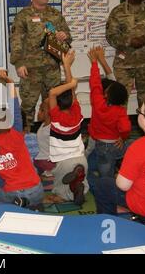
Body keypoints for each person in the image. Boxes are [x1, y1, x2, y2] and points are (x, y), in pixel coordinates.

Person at [10, 0, 72, 130]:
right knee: (28, 106)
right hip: (31, 70)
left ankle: (51, 135)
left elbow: (68, 36)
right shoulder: (23, 16)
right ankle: (25, 136)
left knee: (52, 104)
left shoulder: (55, 14)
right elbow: (16, 41)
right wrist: (19, 63)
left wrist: (65, 36)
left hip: (52, 69)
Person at [0, 71, 44, 209]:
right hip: (37, 190)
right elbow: (15, 109)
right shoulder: (16, 134)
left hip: (12, 191)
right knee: (33, 199)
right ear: (10, 123)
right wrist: (10, 83)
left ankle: (17, 206)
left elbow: (0, 177)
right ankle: (32, 205)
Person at [48, 50, 89, 206]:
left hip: (63, 162)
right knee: (81, 184)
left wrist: (71, 84)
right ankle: (79, 185)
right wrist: (67, 67)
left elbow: (52, 93)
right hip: (81, 158)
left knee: (59, 189)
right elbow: (71, 93)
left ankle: (67, 195)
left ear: (56, 105)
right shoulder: (77, 113)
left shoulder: (56, 117)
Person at [86, 46, 131, 180]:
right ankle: (114, 173)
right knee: (109, 161)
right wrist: (123, 137)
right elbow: (126, 128)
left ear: (105, 94)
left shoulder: (98, 102)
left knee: (95, 157)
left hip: (96, 139)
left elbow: (94, 83)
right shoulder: (121, 109)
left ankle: (87, 170)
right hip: (113, 142)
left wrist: (95, 62)